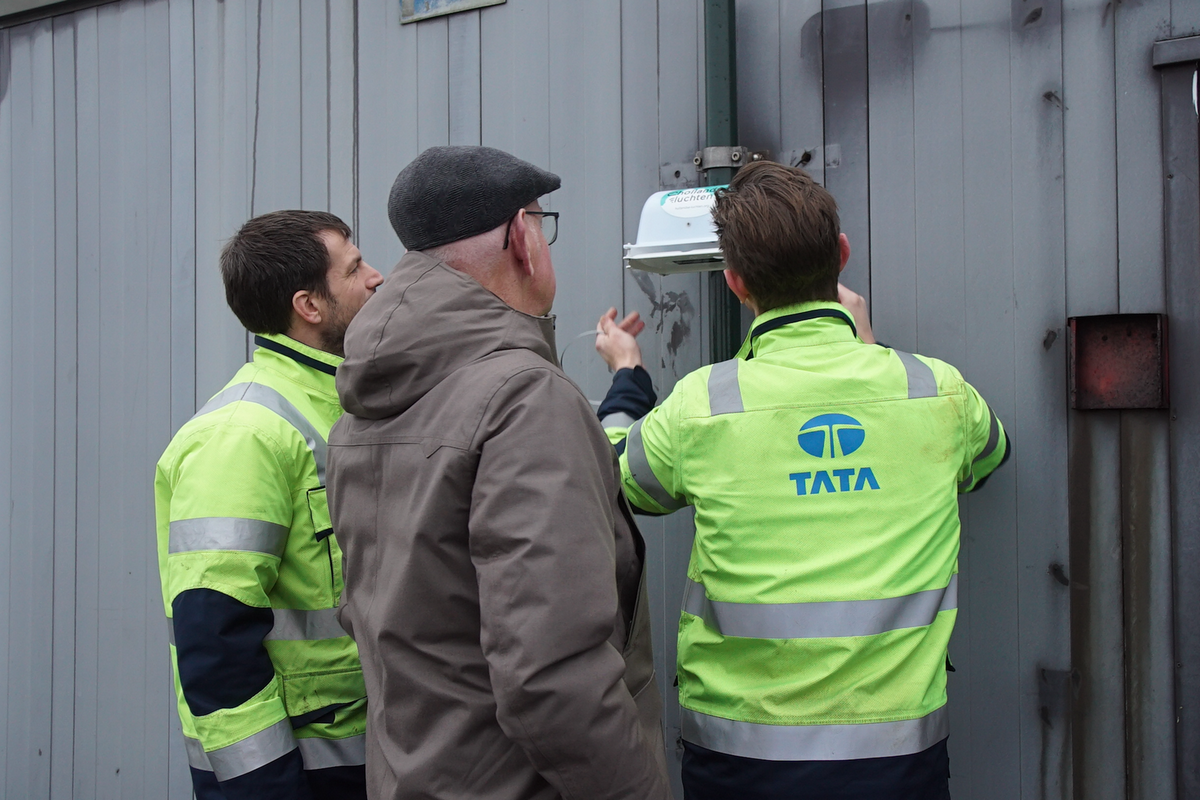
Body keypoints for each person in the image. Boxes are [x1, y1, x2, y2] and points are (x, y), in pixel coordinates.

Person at [594, 161, 1011, 800]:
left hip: (741, 761)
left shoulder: (703, 405)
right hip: (898, 762)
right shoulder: (935, 390)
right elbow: (990, 456)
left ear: (734, 283)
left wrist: (627, 376)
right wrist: (873, 355)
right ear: (841, 256)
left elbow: (611, 480)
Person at [326, 145, 672, 800]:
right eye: (545, 223)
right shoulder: (523, 398)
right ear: (522, 235)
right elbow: (554, 678)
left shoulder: (364, 406)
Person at [154, 210, 383, 800]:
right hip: (300, 775)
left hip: (368, 757)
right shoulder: (243, 434)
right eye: (355, 268)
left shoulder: (345, 408)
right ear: (309, 305)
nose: (376, 278)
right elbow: (214, 640)